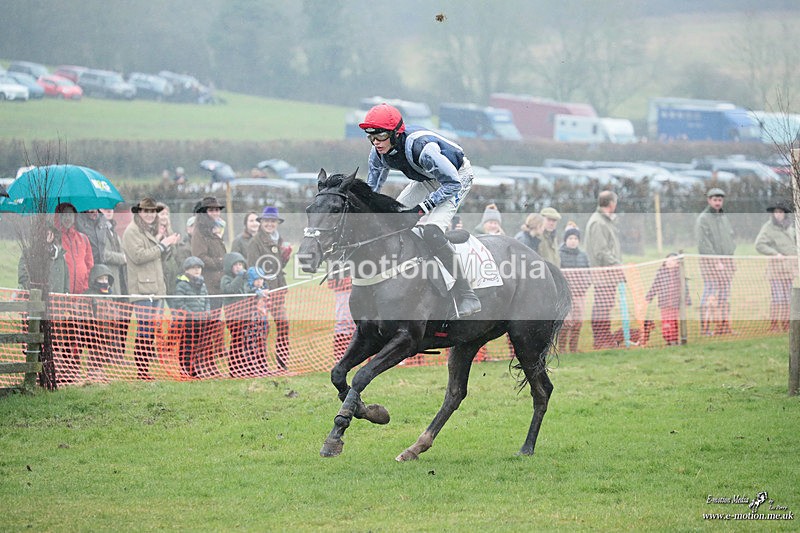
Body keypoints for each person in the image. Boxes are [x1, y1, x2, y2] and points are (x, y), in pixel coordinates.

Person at [359, 102, 480, 317]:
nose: (376, 142)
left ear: (396, 133)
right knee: (391, 219)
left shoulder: (422, 149)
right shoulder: (377, 154)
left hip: (456, 178)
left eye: (380, 136)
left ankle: (466, 294)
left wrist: (422, 209)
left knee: (432, 231)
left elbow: (452, 184)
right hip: (426, 179)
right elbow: (372, 191)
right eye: (371, 137)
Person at [122, 197, 180, 380]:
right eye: (146, 211)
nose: (149, 215)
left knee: (150, 330)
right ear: (139, 212)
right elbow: (139, 256)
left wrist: (162, 242)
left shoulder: (146, 231)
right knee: (144, 331)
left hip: (154, 288)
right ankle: (142, 372)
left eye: (152, 211)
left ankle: (145, 371)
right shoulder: (132, 232)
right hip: (142, 290)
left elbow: (156, 257)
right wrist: (163, 244)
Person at [247, 206, 292, 372]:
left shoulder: (280, 240)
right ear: (261, 222)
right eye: (266, 221)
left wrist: (285, 257)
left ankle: (282, 363)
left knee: (283, 326)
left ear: (277, 223)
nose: (269, 224)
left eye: (273, 221)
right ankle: (261, 365)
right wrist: (260, 290)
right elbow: (252, 268)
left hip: (279, 289)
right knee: (262, 329)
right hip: (264, 292)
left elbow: (277, 266)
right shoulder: (255, 242)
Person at [584, 191, 624, 349]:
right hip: (603, 273)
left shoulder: (605, 221)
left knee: (606, 306)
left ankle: (605, 337)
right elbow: (600, 252)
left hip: (609, 272)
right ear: (612, 203)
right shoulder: (598, 222)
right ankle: (600, 339)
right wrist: (617, 264)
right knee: (602, 306)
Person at [695, 188, 736, 336]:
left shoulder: (724, 217)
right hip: (710, 264)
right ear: (709, 200)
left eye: (720, 200)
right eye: (715, 200)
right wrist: (716, 260)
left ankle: (723, 327)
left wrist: (730, 257)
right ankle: (705, 328)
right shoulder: (703, 219)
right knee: (709, 294)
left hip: (727, 263)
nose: (718, 202)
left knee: (724, 296)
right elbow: (703, 243)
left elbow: (730, 238)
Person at [755, 200, 796, 332]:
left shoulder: (790, 228)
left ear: (785, 214)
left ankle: (786, 324)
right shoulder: (768, 227)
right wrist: (774, 253)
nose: (778, 214)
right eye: (776, 212)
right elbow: (759, 245)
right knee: (777, 299)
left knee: (788, 299)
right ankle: (773, 325)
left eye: (781, 212)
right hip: (776, 270)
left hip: (789, 270)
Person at [220, 251, 262, 377]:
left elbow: (247, 291)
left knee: (245, 341)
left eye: (241, 264)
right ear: (229, 266)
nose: (239, 267)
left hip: (245, 316)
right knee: (237, 341)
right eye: (236, 265)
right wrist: (240, 277)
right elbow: (230, 290)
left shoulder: (244, 280)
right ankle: (234, 368)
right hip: (233, 317)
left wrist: (256, 291)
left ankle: (244, 366)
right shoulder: (226, 279)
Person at [172, 256, 211, 378]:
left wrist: (207, 312)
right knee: (187, 345)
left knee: (198, 345)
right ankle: (185, 367)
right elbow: (179, 303)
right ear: (186, 270)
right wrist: (191, 314)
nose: (197, 270)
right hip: (188, 322)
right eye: (194, 268)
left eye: (199, 268)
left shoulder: (203, 284)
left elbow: (207, 300)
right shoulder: (182, 285)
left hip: (201, 321)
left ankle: (195, 368)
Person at [645, 253, 691, 346]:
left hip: (675, 303)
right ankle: (668, 339)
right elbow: (655, 286)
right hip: (664, 303)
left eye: (673, 260)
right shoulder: (660, 273)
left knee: (673, 322)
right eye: (668, 260)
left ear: (678, 263)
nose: (670, 262)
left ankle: (674, 340)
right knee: (666, 322)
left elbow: (685, 288)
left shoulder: (680, 274)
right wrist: (648, 298)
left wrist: (687, 300)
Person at [558, 225, 591, 352]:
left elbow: (588, 273)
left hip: (580, 295)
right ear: (565, 239)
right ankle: (561, 349)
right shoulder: (560, 255)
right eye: (570, 238)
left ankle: (573, 349)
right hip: (565, 296)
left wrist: (585, 286)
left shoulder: (583, 255)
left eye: (576, 238)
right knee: (565, 323)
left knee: (578, 323)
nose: (573, 241)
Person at [191, 197, 227, 310]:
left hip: (217, 283)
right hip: (208, 284)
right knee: (210, 320)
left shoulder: (215, 229)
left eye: (217, 210)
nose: (216, 213)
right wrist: (220, 262)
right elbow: (200, 257)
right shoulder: (199, 232)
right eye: (211, 210)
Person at [54, 203, 94, 295]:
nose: (67, 218)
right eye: (64, 215)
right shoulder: (55, 239)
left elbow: (89, 265)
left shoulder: (83, 238)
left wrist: (85, 286)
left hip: (82, 294)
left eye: (70, 214)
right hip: (62, 294)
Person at [99, 208, 128, 295]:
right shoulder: (97, 229)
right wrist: (122, 258)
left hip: (119, 278)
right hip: (106, 278)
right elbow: (102, 253)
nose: (109, 210)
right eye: (105, 208)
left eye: (111, 208)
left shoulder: (112, 229)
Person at [157, 202, 182, 295]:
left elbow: (174, 255)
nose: (165, 217)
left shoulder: (170, 232)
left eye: (167, 214)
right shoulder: (152, 233)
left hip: (172, 275)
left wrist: (174, 244)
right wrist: (159, 239)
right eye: (162, 214)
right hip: (160, 275)